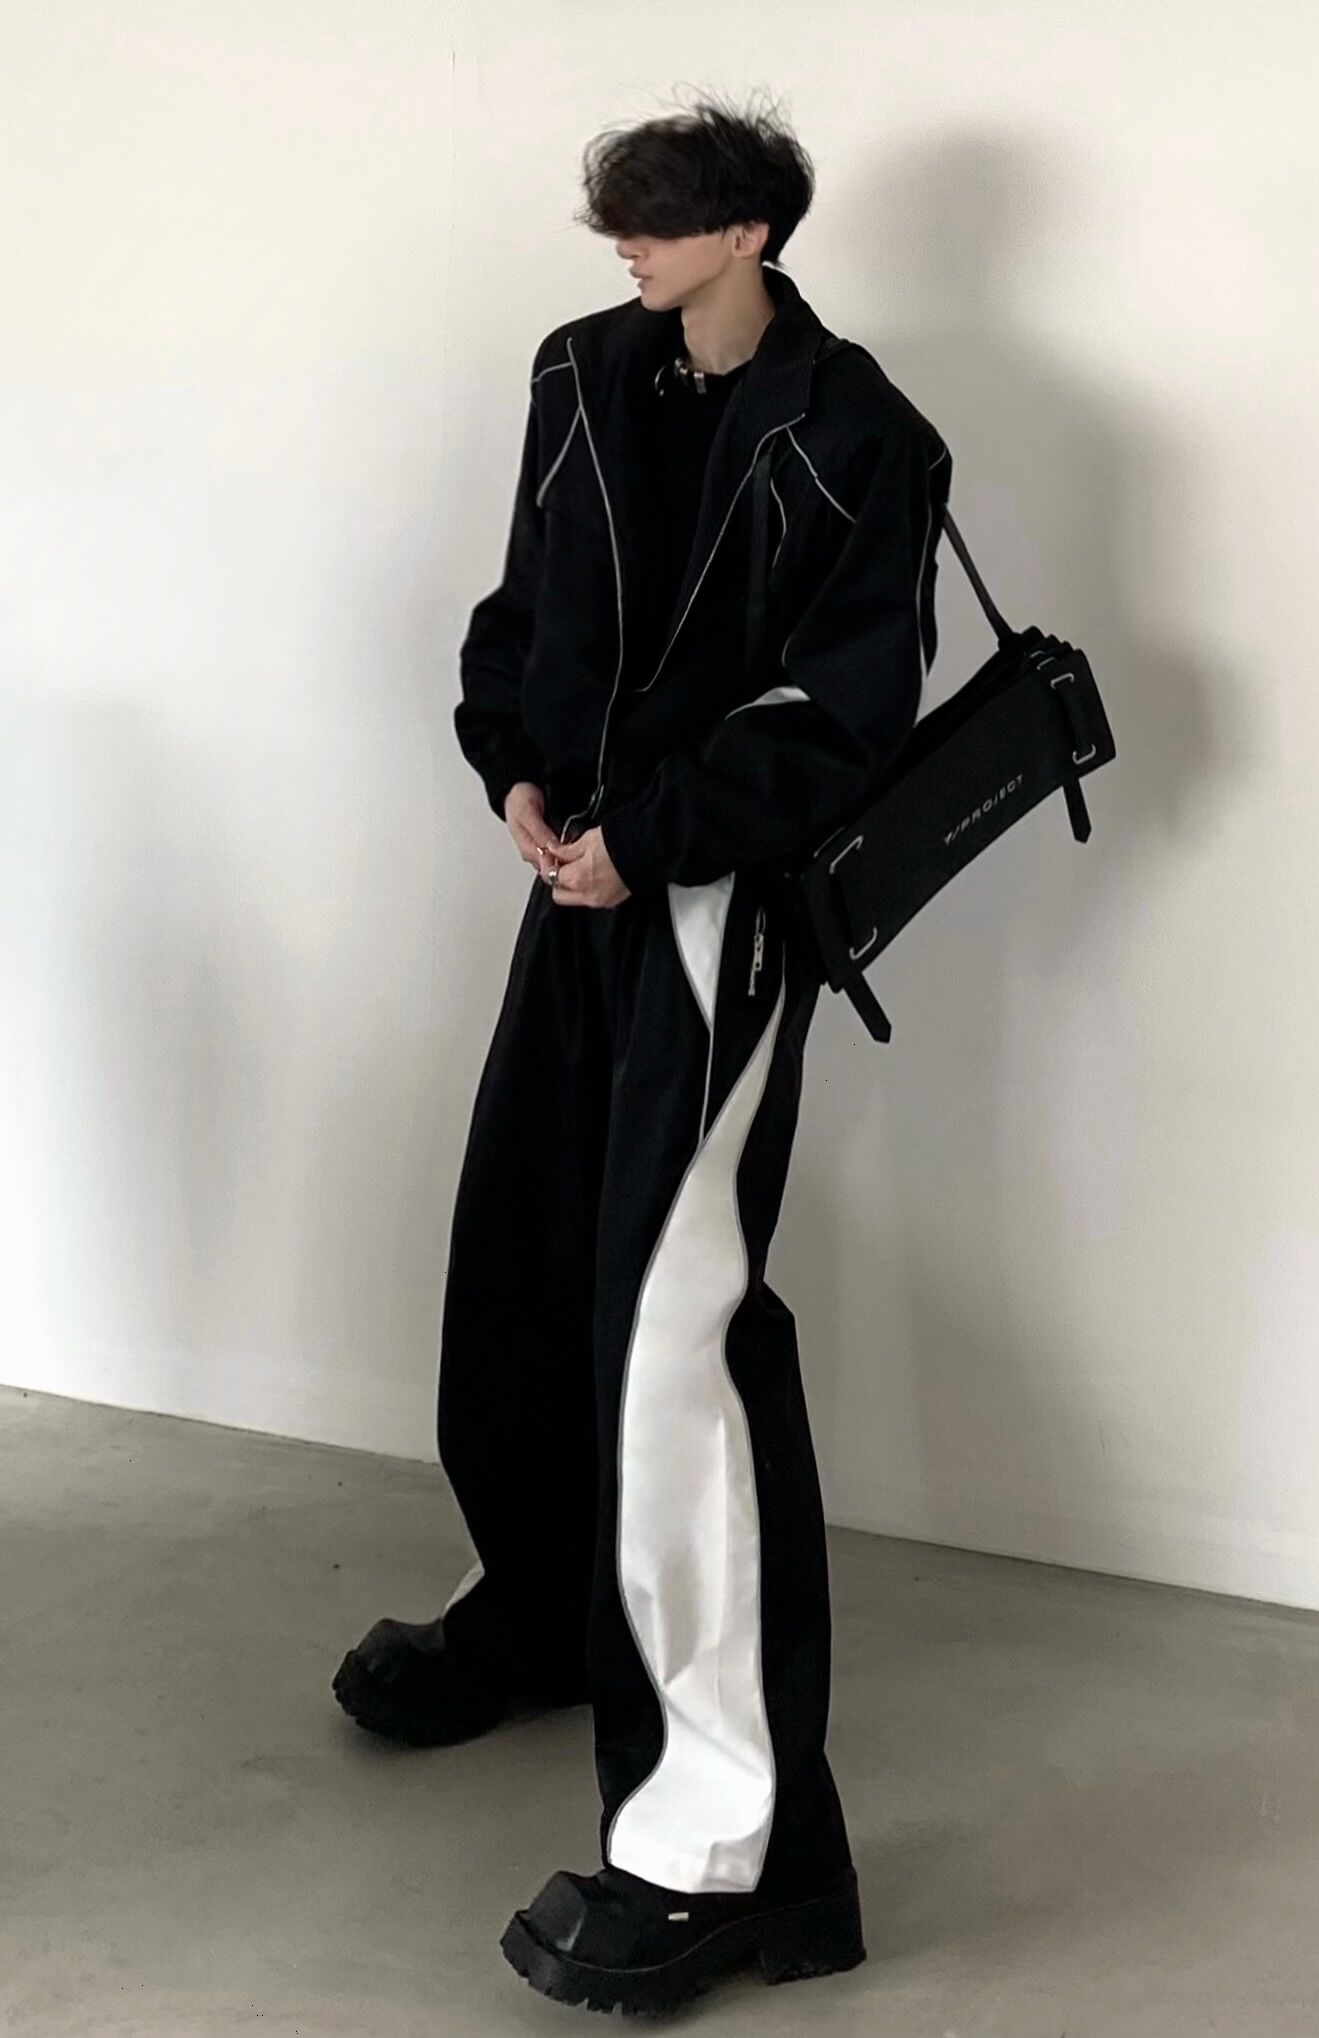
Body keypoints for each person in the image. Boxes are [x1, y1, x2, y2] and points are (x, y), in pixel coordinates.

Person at [332, 88, 952, 2016]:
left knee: (676, 1339)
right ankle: (544, 1609)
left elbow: (849, 709)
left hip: (716, 912)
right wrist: (512, 764)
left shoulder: (862, 433)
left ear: (754, 231)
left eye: (664, 219)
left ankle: (731, 1849)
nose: (628, 243)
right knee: (518, 1264)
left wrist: (659, 833)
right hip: (579, 884)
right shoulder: (584, 372)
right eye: (622, 217)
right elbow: (528, 606)